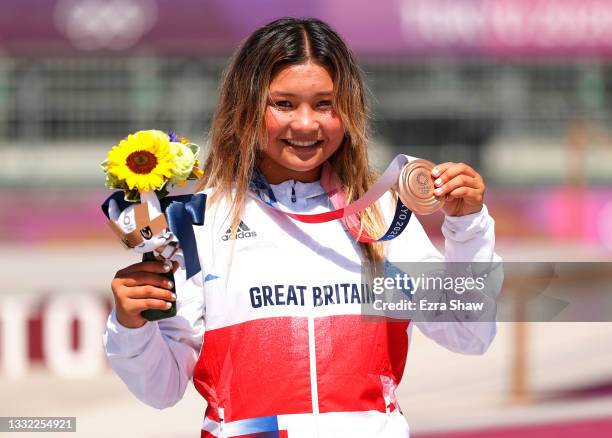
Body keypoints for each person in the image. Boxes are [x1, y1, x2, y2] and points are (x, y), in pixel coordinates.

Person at [104, 17, 502, 438]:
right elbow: (160, 389)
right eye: (284, 104)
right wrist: (131, 324)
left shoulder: (381, 216)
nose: (307, 124)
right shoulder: (200, 221)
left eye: (325, 104)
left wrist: (467, 226)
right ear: (246, 109)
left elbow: (468, 334)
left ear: (347, 111)